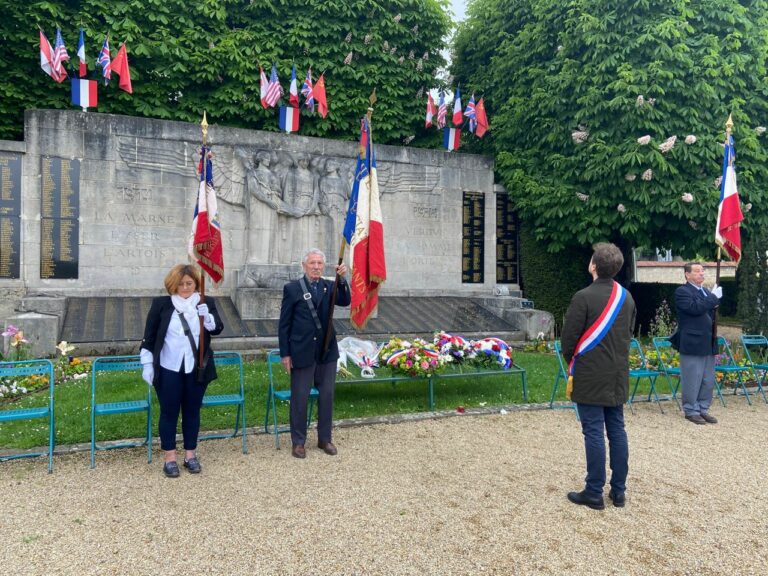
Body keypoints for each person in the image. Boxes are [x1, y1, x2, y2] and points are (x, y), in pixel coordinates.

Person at [561, 243, 636, 510]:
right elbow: (629, 331)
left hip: (591, 374)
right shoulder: (626, 297)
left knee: (593, 430)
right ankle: (618, 491)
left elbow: (568, 339)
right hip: (617, 374)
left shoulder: (583, 296)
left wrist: (571, 360)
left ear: (593, 265)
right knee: (617, 429)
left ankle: (594, 491)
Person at [140, 264, 224, 478]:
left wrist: (209, 318)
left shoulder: (205, 302)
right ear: (172, 284)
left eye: (189, 283)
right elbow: (149, 338)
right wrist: (147, 365)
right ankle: (169, 458)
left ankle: (189, 455)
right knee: (169, 412)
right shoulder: (162, 305)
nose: (185, 287)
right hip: (169, 367)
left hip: (196, 369)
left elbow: (218, 329)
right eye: (180, 283)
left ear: (196, 283)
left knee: (192, 411)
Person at [278, 248, 351, 459]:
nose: (317, 267)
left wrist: (342, 280)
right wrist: (286, 354)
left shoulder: (330, 286)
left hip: (327, 351)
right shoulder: (292, 289)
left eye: (320, 263)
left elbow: (345, 301)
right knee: (300, 398)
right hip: (302, 351)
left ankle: (324, 439)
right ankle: (298, 442)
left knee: (327, 396)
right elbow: (284, 324)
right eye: (312, 263)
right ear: (304, 265)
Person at [672, 262, 722, 425]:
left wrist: (713, 300)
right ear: (687, 274)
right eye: (697, 271)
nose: (701, 273)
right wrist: (713, 299)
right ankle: (691, 410)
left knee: (707, 379)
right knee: (692, 378)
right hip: (692, 341)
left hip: (708, 341)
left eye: (703, 271)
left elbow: (709, 310)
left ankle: (702, 408)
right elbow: (695, 308)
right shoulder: (682, 292)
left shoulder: (706, 292)